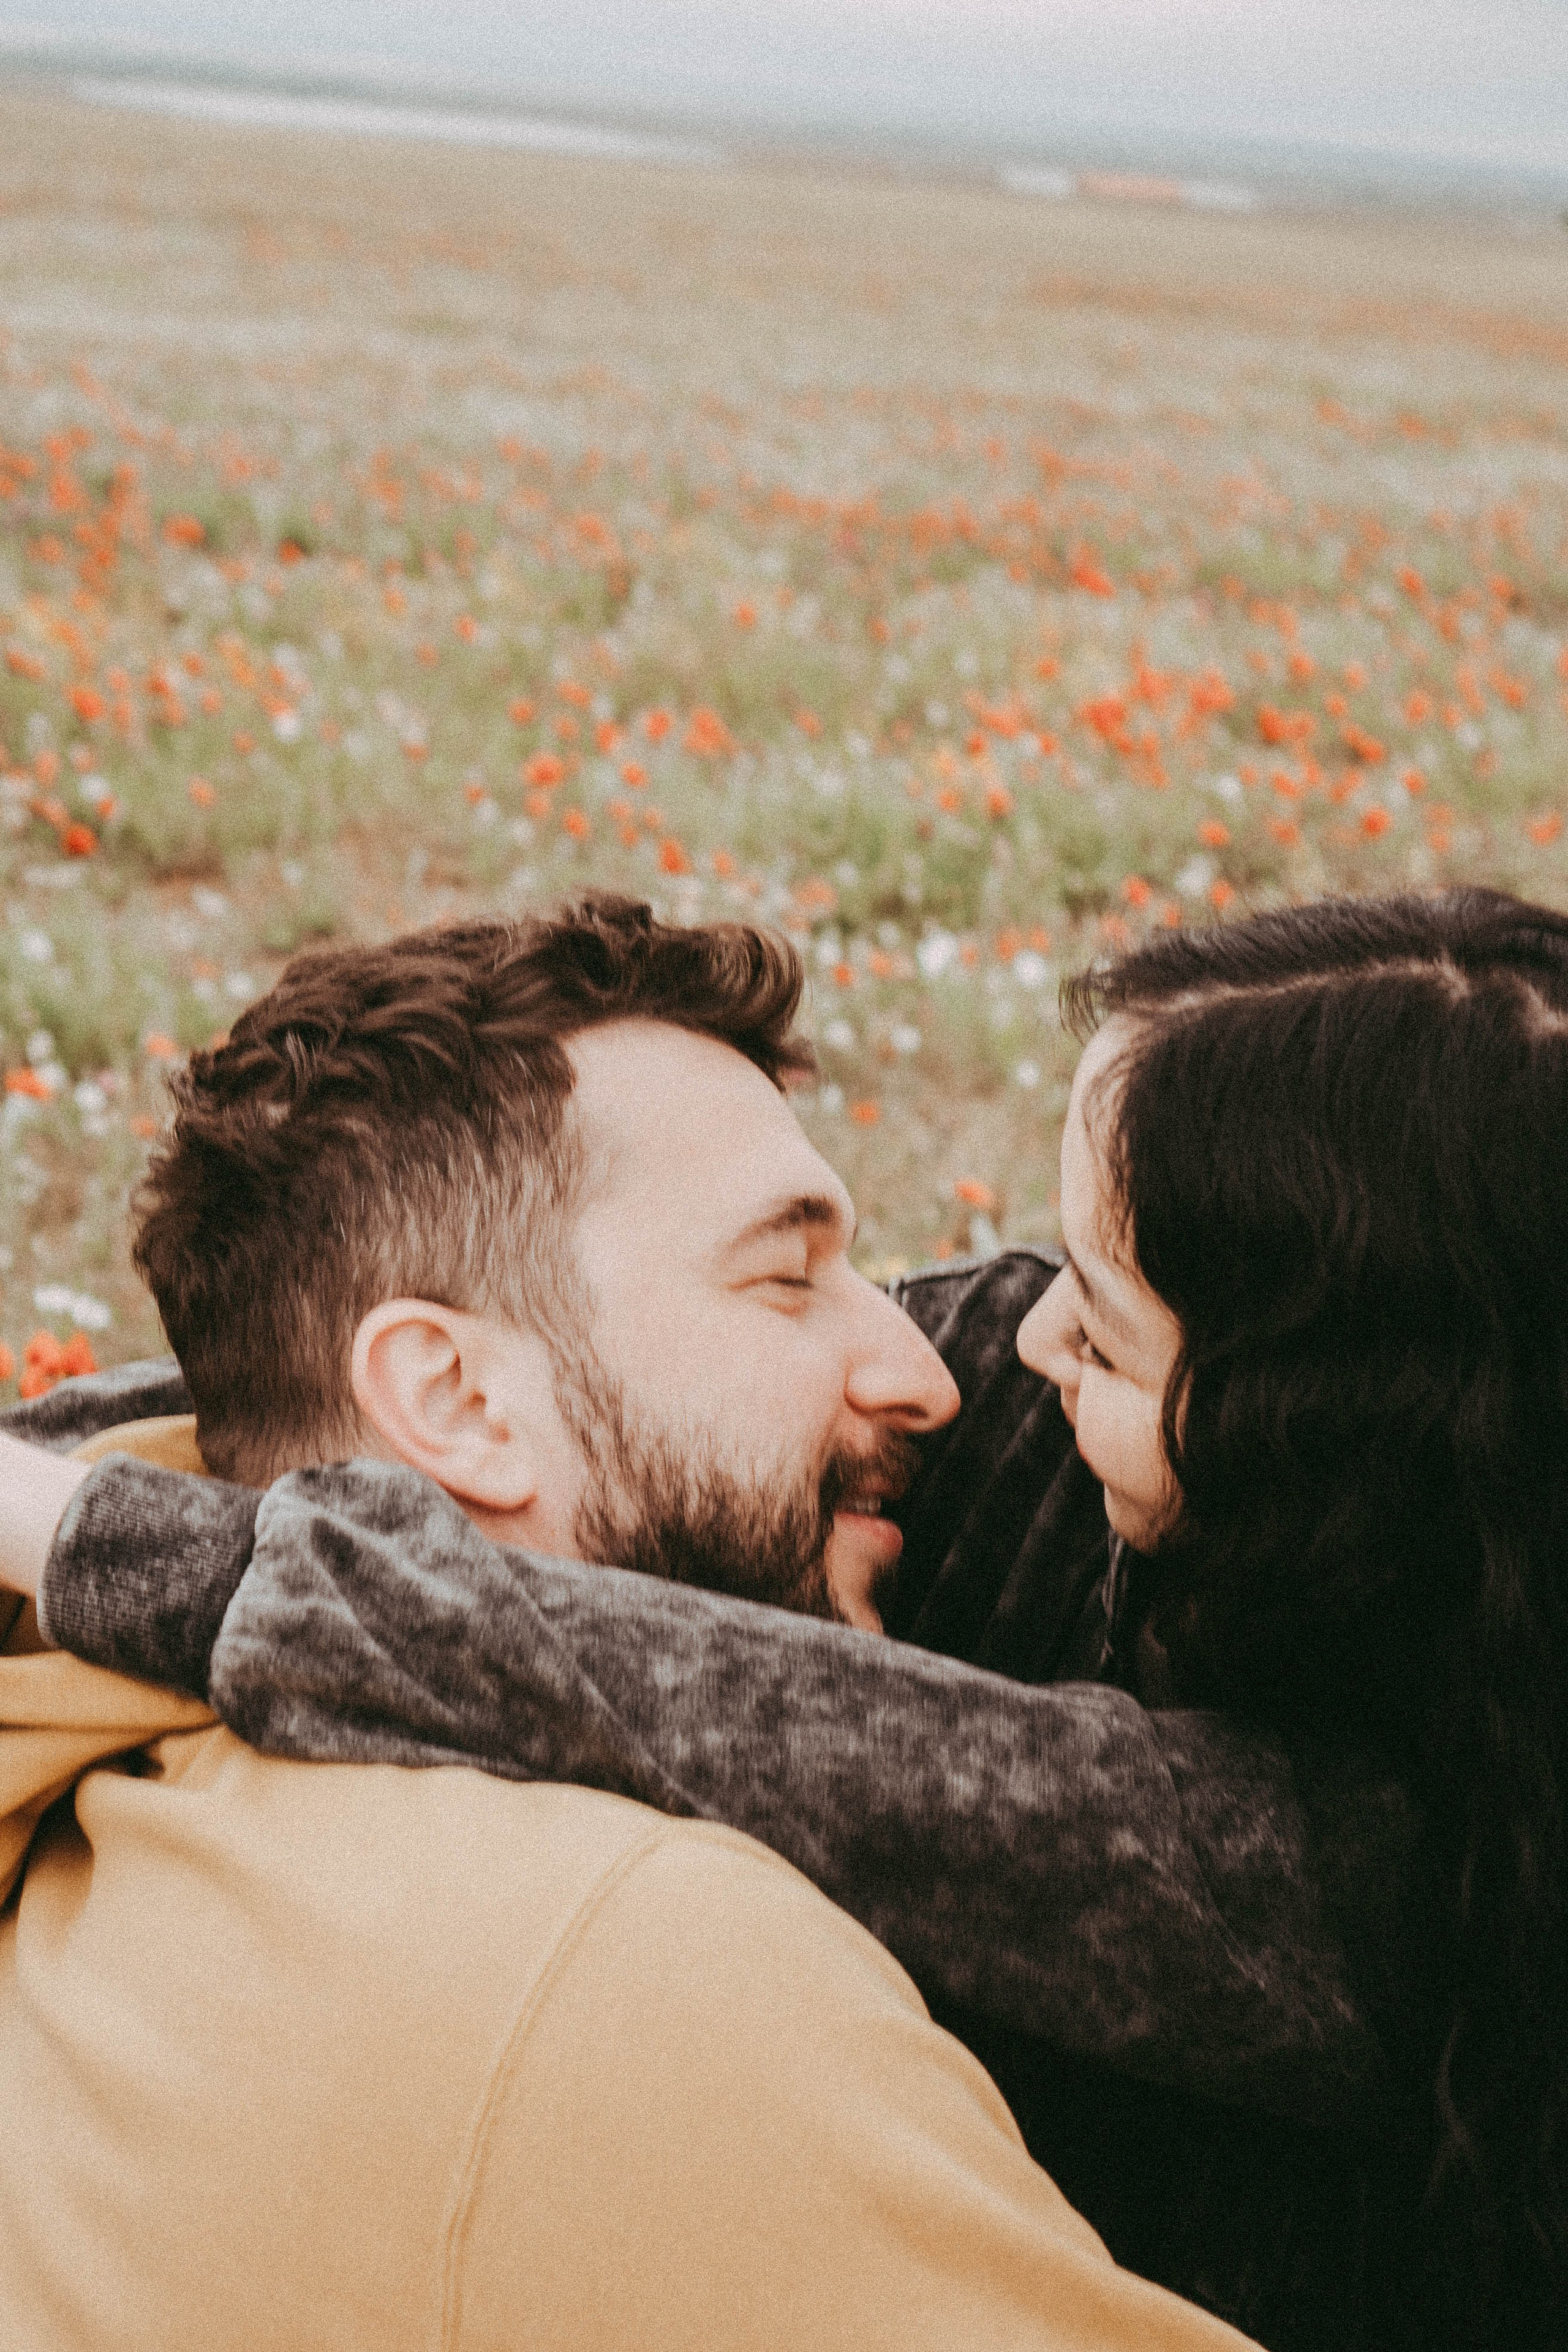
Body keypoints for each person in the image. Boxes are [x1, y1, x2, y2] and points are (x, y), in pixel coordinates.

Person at [15, 888, 1539, 2344]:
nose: (987, 1354)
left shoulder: (1390, 1866)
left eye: (1113, 1317)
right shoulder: (630, 1970)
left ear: (1325, 1449)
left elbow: (873, 1757)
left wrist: (88, 1525)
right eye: (790, 1274)